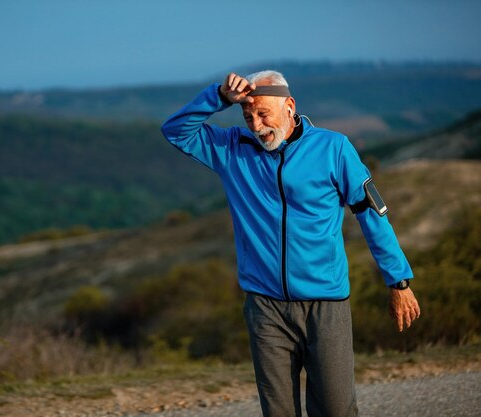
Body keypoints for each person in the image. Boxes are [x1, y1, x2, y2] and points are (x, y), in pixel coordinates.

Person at [160, 70, 421, 417]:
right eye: (248, 114)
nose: (255, 124)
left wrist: (398, 281)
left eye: (263, 113)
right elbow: (176, 130)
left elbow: (372, 214)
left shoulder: (333, 148)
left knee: (335, 410)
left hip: (325, 306)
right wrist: (219, 96)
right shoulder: (231, 149)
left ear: (289, 106)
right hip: (265, 308)